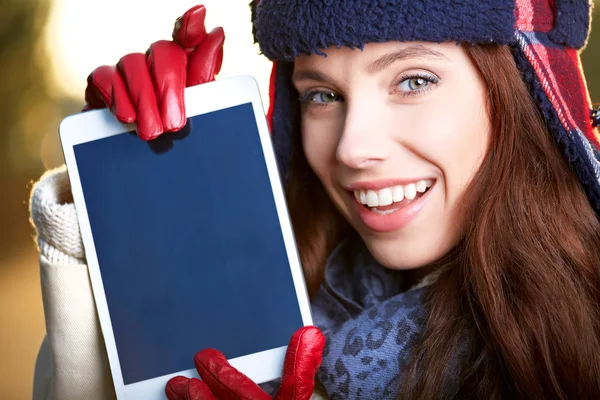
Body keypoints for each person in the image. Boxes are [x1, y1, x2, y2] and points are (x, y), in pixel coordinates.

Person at [29, 1, 600, 399]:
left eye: (413, 80)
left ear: (523, 91)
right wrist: (122, 202)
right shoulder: (274, 298)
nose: (352, 147)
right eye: (322, 94)